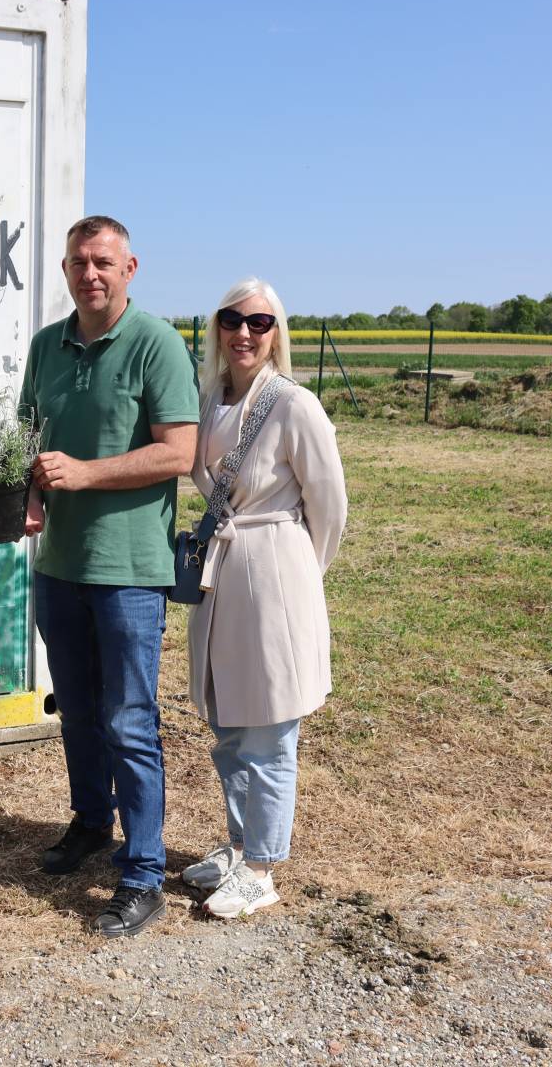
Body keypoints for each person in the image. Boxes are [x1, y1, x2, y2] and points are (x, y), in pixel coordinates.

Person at [18, 216, 200, 937]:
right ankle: (92, 821)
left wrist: (86, 474)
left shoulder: (157, 343)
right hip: (59, 564)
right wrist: (28, 493)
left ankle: (144, 872)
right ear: (65, 270)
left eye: (102, 261)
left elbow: (178, 452)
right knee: (79, 711)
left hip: (128, 570)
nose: (89, 274)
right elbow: (27, 439)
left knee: (129, 720)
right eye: (78, 262)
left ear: (130, 268)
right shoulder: (47, 346)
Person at [179, 277, 346, 918]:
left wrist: (296, 570)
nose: (244, 333)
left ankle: (262, 867)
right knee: (227, 720)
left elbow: (329, 505)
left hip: (273, 567)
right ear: (217, 328)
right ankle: (240, 844)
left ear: (277, 332)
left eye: (259, 322)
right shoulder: (208, 401)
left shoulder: (294, 405)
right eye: (232, 320)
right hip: (221, 570)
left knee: (271, 727)